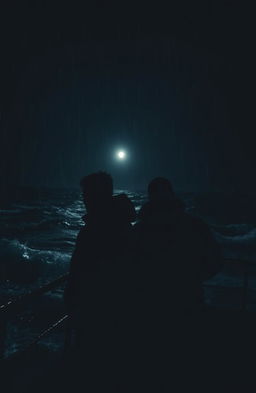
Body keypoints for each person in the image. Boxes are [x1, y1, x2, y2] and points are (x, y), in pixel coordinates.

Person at [64, 171, 136, 390]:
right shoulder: (125, 226)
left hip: (96, 315)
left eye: (86, 194)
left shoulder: (95, 230)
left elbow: (83, 272)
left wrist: (73, 301)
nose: (84, 199)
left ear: (96, 195)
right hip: (118, 316)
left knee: (93, 372)